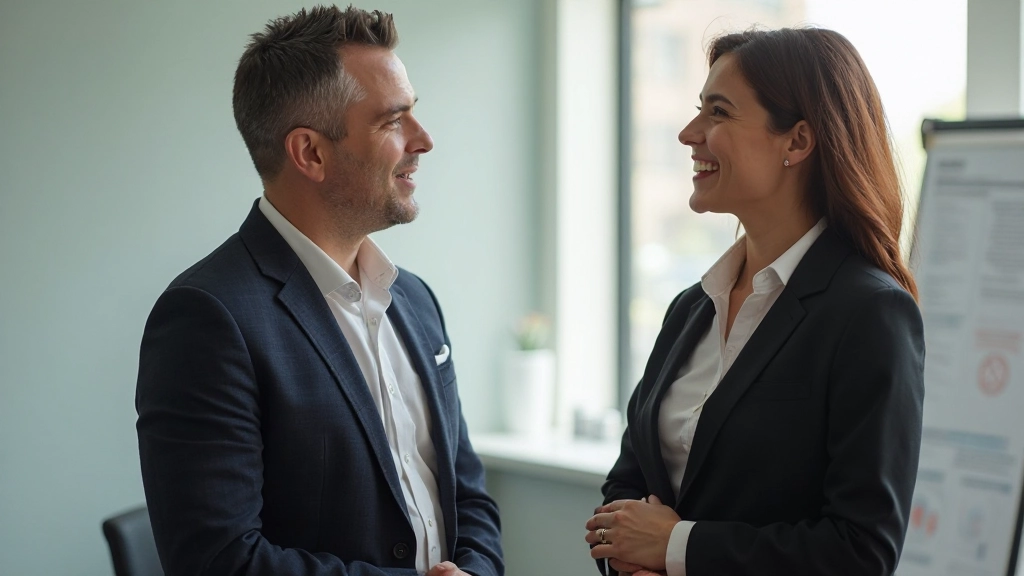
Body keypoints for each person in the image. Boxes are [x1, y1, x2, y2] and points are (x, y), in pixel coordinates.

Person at [135, 6, 503, 576]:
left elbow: (467, 495)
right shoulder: (208, 318)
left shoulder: (416, 301)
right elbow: (218, 560)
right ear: (310, 152)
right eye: (393, 121)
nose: (424, 140)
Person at [585, 27, 925, 576]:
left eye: (718, 112)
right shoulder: (691, 307)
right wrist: (626, 556)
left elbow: (861, 552)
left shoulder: (870, 314)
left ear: (797, 141)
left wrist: (677, 548)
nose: (689, 133)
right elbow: (627, 484)